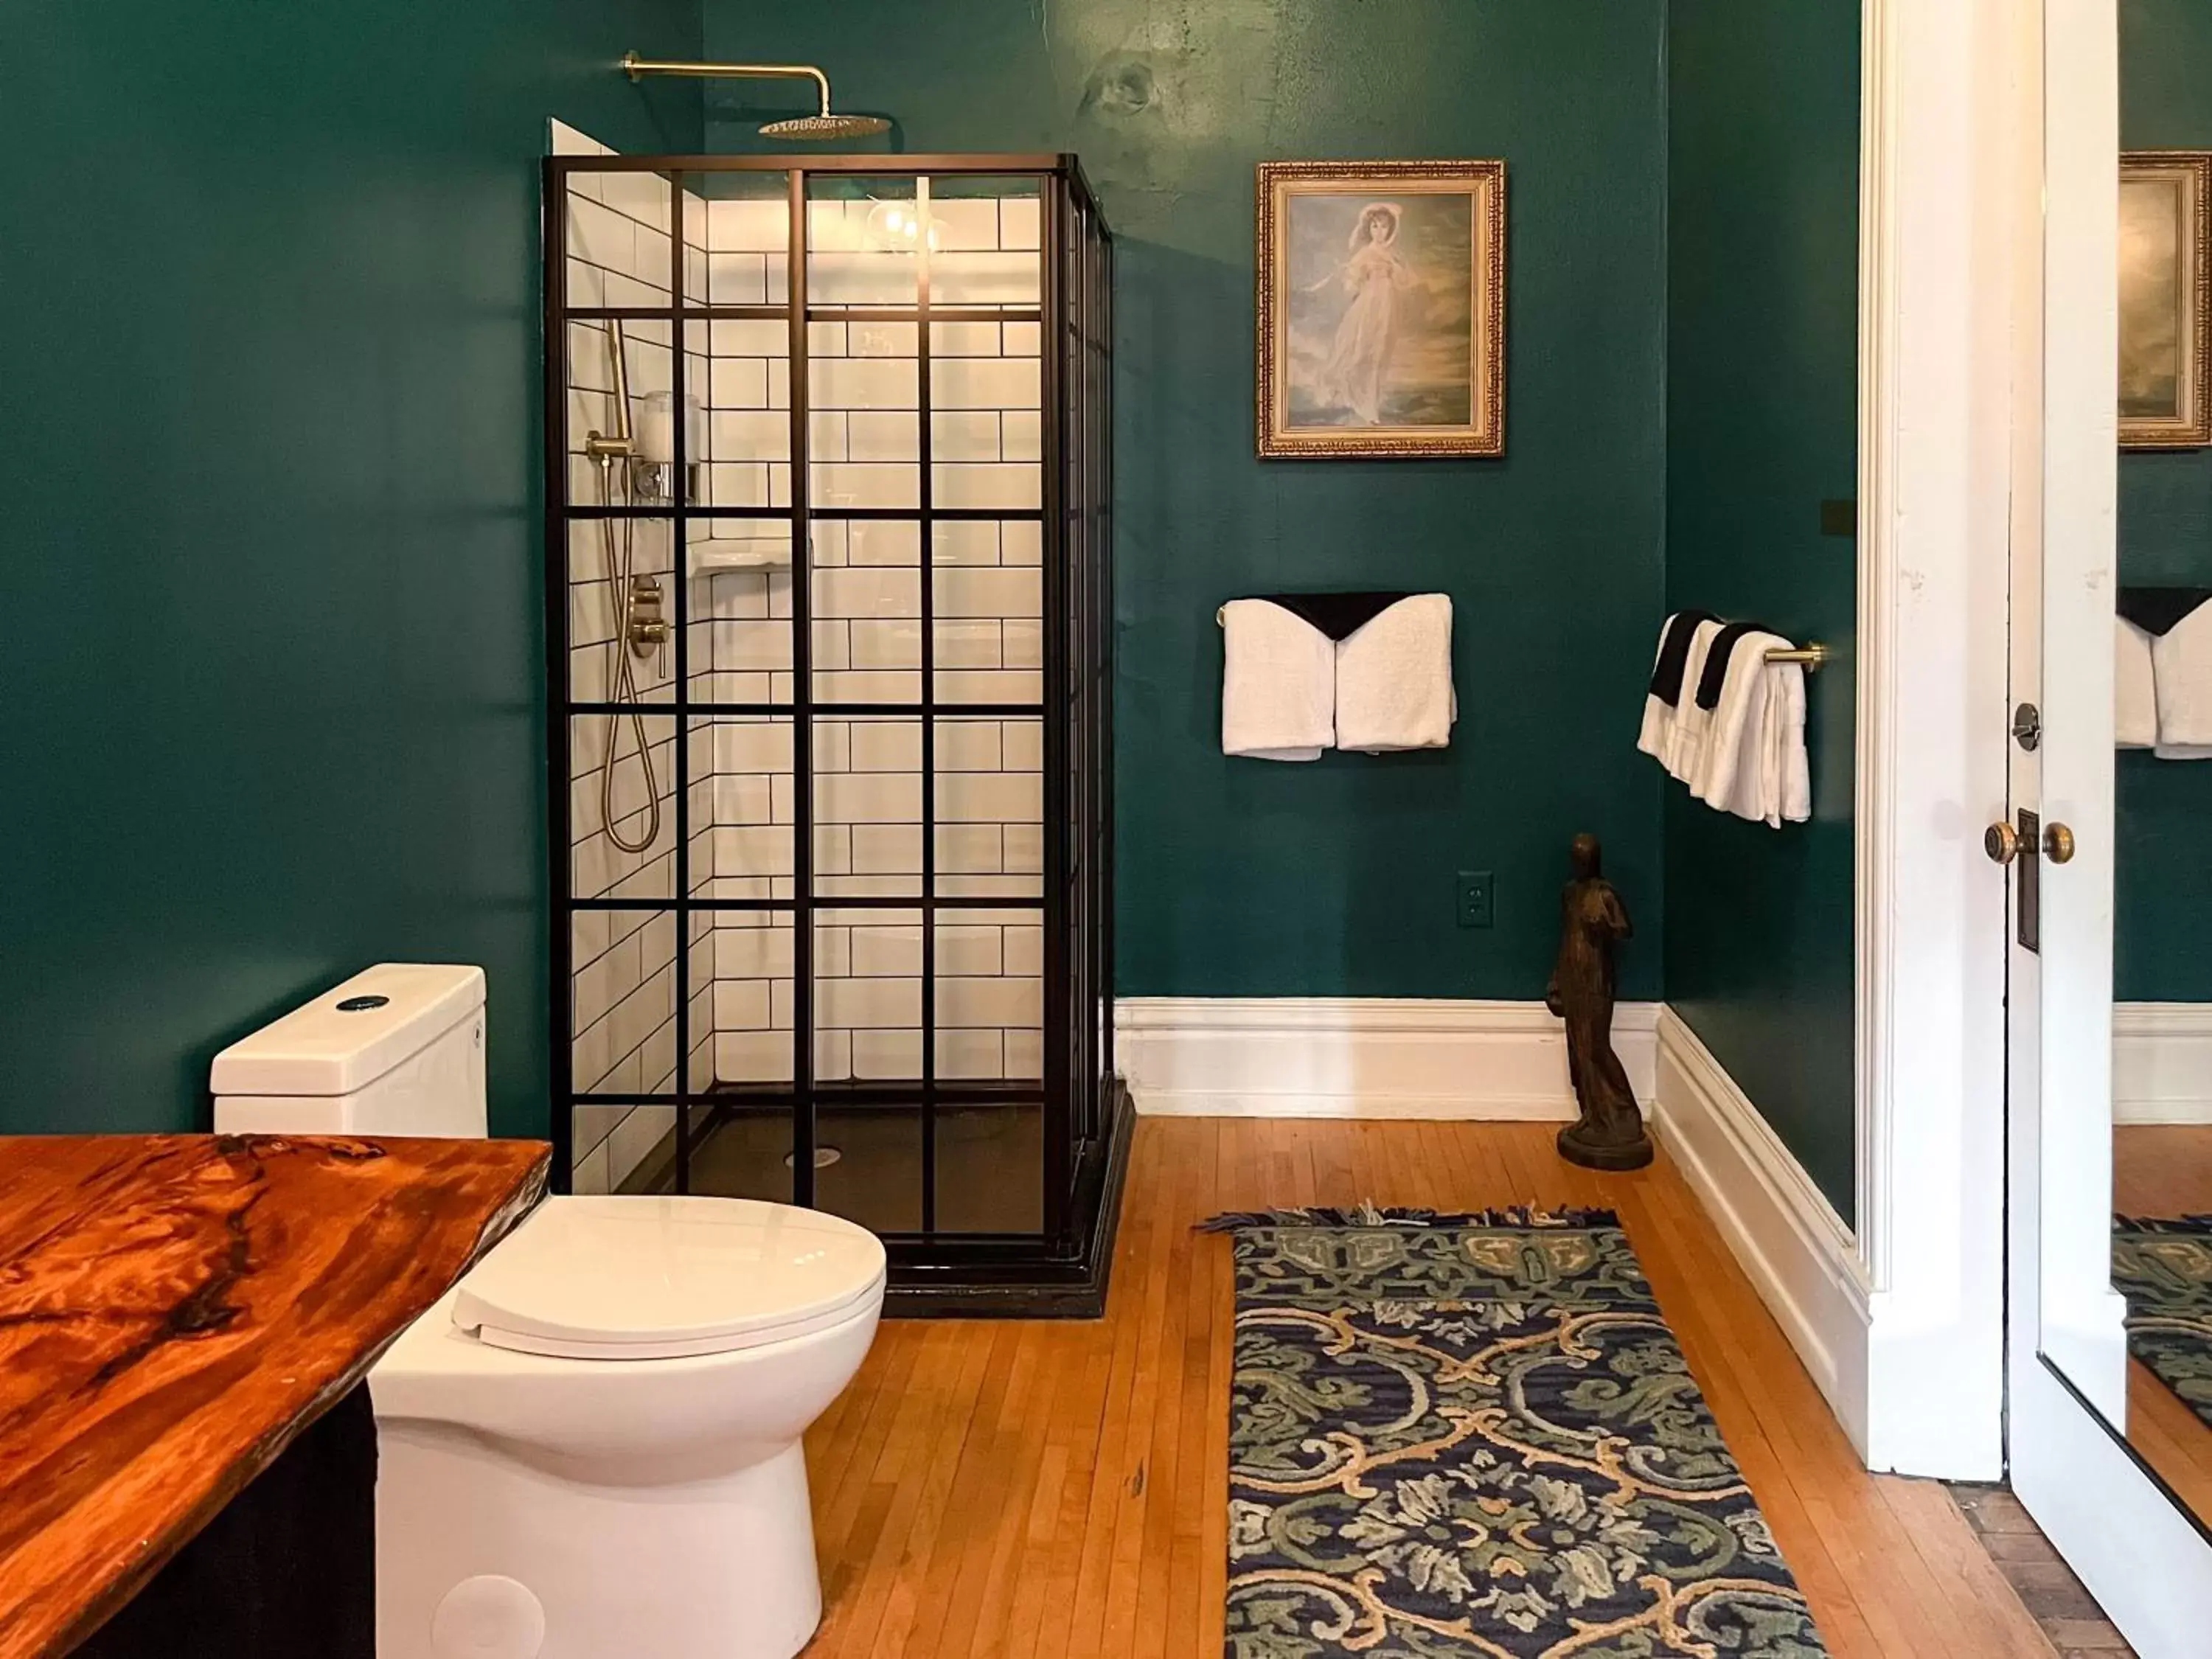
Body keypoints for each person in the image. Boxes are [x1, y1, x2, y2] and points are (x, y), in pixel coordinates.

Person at [1307, 201, 1417, 425]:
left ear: (1391, 229)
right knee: (1360, 352)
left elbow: (1406, 281)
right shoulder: (1365, 254)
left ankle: (1371, 404)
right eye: (1375, 226)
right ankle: (1353, 394)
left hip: (1387, 305)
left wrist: (1396, 268)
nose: (1379, 232)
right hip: (1368, 305)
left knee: (1380, 353)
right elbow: (1352, 285)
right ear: (1368, 229)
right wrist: (1354, 275)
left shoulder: (1393, 254)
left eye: (1384, 227)